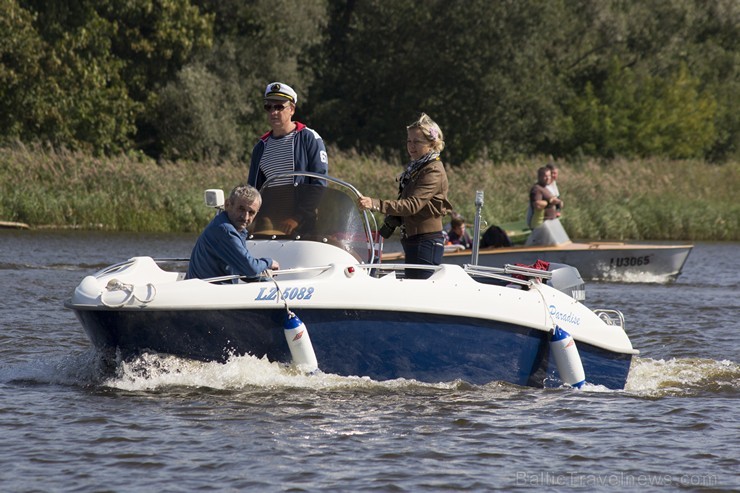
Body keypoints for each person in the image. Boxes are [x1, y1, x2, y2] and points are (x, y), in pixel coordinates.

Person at [358, 113, 452, 279]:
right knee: (414, 291)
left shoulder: (433, 170)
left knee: (419, 294)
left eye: (417, 142)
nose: (411, 146)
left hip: (425, 241)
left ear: (431, 144)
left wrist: (376, 204)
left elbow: (412, 205)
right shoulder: (417, 168)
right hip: (415, 240)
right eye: (409, 141)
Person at [247, 82, 328, 234]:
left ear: (291, 109)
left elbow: (318, 183)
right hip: (269, 223)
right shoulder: (260, 147)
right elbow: (253, 189)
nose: (273, 112)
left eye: (279, 107)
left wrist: (297, 218)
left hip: (302, 226)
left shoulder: (309, 138)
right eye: (268, 107)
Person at [186, 184, 279, 281]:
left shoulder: (235, 229)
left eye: (251, 212)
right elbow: (251, 268)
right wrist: (269, 262)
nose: (245, 217)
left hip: (209, 290)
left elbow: (243, 270)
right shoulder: (225, 231)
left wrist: (266, 281)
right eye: (241, 209)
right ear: (227, 205)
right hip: (210, 292)